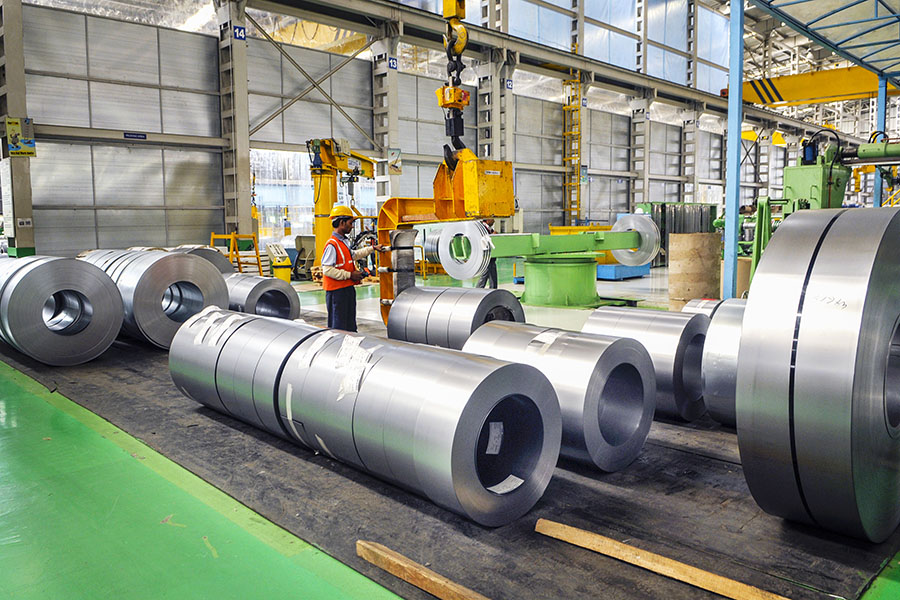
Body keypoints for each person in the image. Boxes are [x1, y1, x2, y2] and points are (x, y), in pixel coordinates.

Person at [321, 205, 385, 332]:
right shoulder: (332, 245)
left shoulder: (343, 242)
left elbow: (353, 255)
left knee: (349, 326)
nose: (352, 226)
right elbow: (327, 270)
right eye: (350, 223)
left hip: (346, 290)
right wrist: (350, 275)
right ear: (341, 222)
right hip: (337, 293)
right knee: (339, 328)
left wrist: (372, 248)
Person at [476, 218, 498, 289]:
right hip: (486, 256)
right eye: (492, 219)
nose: (494, 221)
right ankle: (478, 291)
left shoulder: (489, 228)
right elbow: (482, 239)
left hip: (491, 256)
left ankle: (493, 291)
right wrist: (492, 235)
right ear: (487, 219)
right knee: (485, 274)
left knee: (492, 275)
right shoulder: (482, 228)